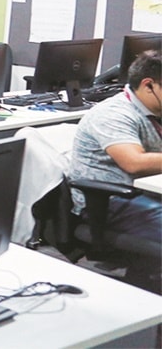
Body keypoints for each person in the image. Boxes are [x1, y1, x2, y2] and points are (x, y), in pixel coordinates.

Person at [68, 50, 162, 247]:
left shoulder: (155, 108)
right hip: (112, 200)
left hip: (148, 191)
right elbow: (134, 163)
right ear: (148, 85)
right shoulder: (114, 114)